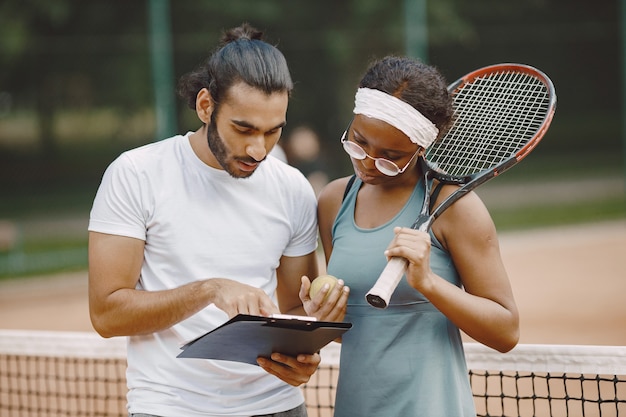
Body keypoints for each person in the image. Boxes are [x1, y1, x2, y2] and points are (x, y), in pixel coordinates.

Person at [88, 23, 347, 417]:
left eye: (273, 132)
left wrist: (303, 352)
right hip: (170, 408)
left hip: (278, 406)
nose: (258, 150)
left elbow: (294, 310)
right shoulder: (135, 174)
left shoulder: (292, 188)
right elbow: (107, 314)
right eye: (243, 129)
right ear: (206, 106)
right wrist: (210, 290)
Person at [316, 56, 520, 416]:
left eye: (390, 157)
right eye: (358, 142)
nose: (366, 163)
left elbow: (505, 332)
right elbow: (351, 330)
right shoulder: (334, 201)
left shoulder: (458, 209)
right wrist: (321, 315)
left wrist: (428, 282)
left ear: (421, 149)